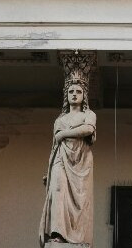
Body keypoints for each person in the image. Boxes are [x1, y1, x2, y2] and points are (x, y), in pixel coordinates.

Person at [40, 81, 96, 245]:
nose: (74, 94)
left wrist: (64, 133)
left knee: (80, 199)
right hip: (60, 159)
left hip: (81, 161)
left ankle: (77, 234)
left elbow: (88, 129)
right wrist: (49, 171)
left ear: (84, 95)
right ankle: (58, 233)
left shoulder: (89, 114)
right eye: (71, 91)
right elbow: (54, 148)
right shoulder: (60, 119)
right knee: (58, 190)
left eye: (78, 91)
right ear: (66, 95)